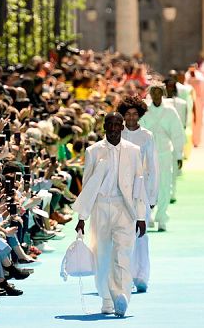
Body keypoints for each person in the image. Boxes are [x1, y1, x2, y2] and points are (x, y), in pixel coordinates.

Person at [74, 113, 147, 317]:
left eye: (117, 125)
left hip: (125, 208)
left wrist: (140, 216)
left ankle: (121, 296)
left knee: (123, 253)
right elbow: (88, 186)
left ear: (122, 127)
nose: (114, 128)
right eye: (110, 125)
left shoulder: (134, 151)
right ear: (104, 126)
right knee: (102, 254)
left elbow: (138, 184)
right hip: (100, 207)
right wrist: (82, 217)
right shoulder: (93, 151)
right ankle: (107, 299)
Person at [117, 96, 159, 293]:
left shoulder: (147, 136)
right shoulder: (117, 133)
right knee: (123, 234)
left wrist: (153, 196)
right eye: (128, 114)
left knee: (141, 234)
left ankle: (141, 275)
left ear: (140, 115)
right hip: (119, 191)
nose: (131, 118)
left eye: (135, 114)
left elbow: (153, 166)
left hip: (141, 190)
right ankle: (124, 274)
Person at [140, 85, 185, 232]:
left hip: (165, 153)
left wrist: (179, 154)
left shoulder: (170, 111)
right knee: (147, 185)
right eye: (154, 92)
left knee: (165, 185)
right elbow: (139, 131)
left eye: (159, 92)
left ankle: (162, 217)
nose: (156, 95)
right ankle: (148, 216)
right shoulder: (145, 110)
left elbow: (177, 133)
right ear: (150, 94)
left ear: (163, 94)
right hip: (147, 153)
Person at [186, 64, 204, 147]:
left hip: (198, 101)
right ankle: (190, 140)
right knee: (189, 120)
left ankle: (196, 141)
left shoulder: (200, 77)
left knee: (198, 121)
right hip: (189, 100)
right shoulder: (187, 77)